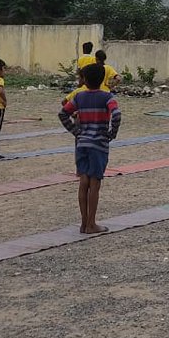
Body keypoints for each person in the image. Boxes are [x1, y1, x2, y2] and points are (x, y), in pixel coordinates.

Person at [59, 62, 121, 234]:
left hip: (82, 143)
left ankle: (84, 223)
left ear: (85, 79)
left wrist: (76, 132)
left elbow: (63, 113)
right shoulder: (107, 97)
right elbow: (116, 114)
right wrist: (112, 133)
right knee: (95, 183)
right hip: (99, 144)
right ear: (102, 78)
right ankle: (92, 224)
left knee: (83, 180)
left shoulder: (79, 97)